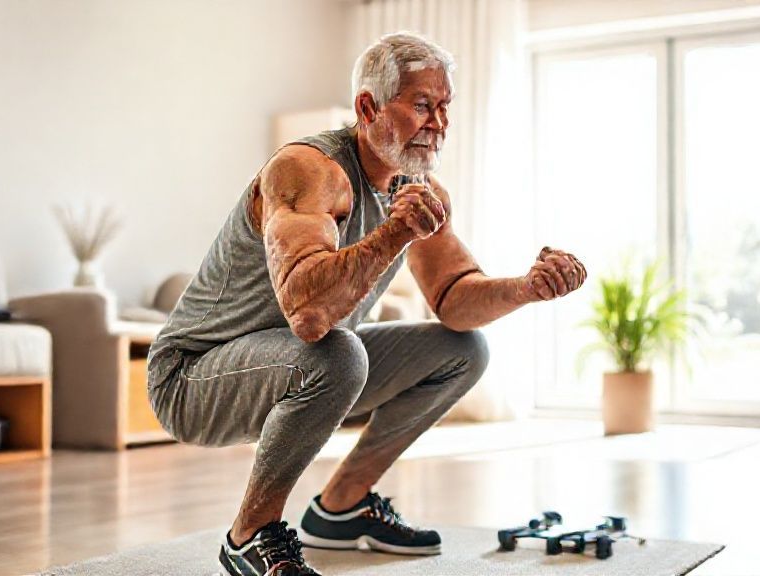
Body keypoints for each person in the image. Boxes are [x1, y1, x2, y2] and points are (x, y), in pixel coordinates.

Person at [147, 32, 587, 576]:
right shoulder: (308, 170)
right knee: (338, 354)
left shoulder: (419, 187)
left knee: (464, 349)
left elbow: (453, 300)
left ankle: (342, 508)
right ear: (367, 107)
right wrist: (394, 234)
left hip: (292, 365)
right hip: (192, 378)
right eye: (423, 105)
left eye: (444, 107)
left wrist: (526, 288)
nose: (438, 123)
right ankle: (248, 536)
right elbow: (307, 315)